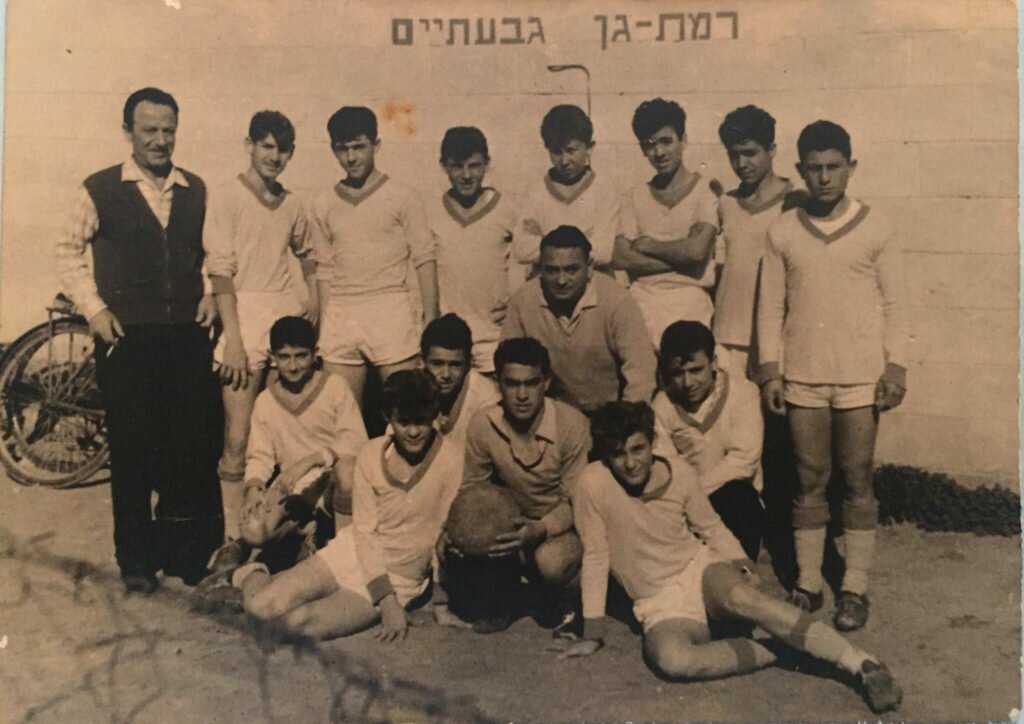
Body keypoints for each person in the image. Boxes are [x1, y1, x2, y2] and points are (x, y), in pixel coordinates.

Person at [559, 401, 902, 715]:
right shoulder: (593, 483)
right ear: (607, 455)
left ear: (652, 443)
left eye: (638, 449)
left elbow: (711, 528)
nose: (631, 462)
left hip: (698, 571)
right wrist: (593, 632)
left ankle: (860, 663)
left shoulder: (679, 472)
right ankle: (780, 649)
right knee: (672, 660)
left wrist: (741, 564)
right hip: (658, 602)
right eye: (618, 454)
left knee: (743, 597)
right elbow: (596, 555)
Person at [55, 87, 222, 593]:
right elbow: (65, 251)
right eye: (149, 130)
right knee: (132, 448)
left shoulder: (195, 189)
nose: (160, 140)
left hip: (186, 334)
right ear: (128, 132)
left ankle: (184, 554)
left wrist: (210, 292)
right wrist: (95, 309)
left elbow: (212, 252)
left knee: (186, 445)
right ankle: (135, 561)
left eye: (168, 130)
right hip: (126, 336)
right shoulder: (100, 188)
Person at [757, 120, 909, 631]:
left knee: (858, 476)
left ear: (850, 168)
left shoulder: (877, 227)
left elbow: (897, 303)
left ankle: (855, 586)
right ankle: (808, 581)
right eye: (814, 168)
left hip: (860, 377)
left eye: (833, 167)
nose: (824, 177)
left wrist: (895, 366)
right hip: (803, 375)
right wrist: (771, 373)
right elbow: (769, 307)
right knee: (809, 478)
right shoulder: (782, 231)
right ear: (800, 170)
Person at [231, 370, 463, 641]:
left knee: (295, 624)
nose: (413, 432)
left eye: (421, 421)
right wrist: (388, 603)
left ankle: (263, 580)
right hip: (352, 552)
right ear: (388, 418)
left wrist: (436, 602)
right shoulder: (371, 455)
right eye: (404, 422)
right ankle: (250, 573)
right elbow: (364, 533)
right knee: (259, 609)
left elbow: (443, 536)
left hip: (399, 576)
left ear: (434, 415)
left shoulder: (451, 459)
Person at [191, 316, 367, 609]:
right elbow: (260, 455)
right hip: (295, 491)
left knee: (347, 474)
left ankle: (340, 559)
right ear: (272, 357)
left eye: (301, 356)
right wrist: (254, 487)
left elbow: (356, 442)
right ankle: (302, 537)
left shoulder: (334, 386)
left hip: (330, 483)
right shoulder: (266, 400)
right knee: (253, 529)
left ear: (315, 354)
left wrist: (312, 459)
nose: (293, 366)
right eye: (284, 357)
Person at [203, 110, 318, 546]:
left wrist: (314, 300)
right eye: (267, 146)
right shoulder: (227, 196)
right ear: (249, 145)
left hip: (282, 320)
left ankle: (277, 531)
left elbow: (308, 253)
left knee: (284, 433)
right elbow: (221, 271)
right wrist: (233, 340)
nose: (275, 156)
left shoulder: (292, 203)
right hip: (243, 318)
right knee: (239, 436)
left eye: (283, 149)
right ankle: (232, 537)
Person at [449, 337, 590, 634]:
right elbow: (472, 492)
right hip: (513, 524)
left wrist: (539, 529)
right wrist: (459, 533)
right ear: (498, 384)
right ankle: (504, 596)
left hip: (563, 526)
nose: (522, 395)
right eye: (512, 384)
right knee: (452, 546)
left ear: (546, 382)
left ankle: (572, 602)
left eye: (531, 383)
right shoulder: (483, 424)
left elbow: (577, 504)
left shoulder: (572, 425)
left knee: (551, 562)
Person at [308, 105, 438, 408]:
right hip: (342, 311)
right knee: (342, 414)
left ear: (376, 145)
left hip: (390, 307)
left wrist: (431, 321)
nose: (351, 157)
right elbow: (325, 270)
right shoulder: (322, 203)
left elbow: (424, 259)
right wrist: (326, 329)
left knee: (407, 408)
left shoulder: (404, 196)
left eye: (359, 147)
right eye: (343, 149)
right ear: (333, 150)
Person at [501, 225, 656, 414]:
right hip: (553, 415)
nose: (561, 280)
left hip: (609, 415)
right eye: (552, 271)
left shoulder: (616, 300)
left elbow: (641, 371)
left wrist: (626, 422)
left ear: (589, 267)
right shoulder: (523, 300)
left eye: (571, 270)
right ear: (541, 268)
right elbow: (508, 366)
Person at [652, 321, 764, 561]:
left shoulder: (744, 393)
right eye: (678, 373)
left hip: (731, 499)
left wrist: (694, 491)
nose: (688, 382)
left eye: (696, 370)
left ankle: (743, 571)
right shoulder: (662, 405)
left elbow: (743, 461)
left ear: (714, 362)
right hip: (685, 507)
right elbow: (665, 465)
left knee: (739, 496)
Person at [613, 98, 718, 344]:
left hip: (691, 304)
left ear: (683, 140)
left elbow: (696, 252)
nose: (659, 153)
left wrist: (648, 245)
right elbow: (621, 257)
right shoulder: (633, 196)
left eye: (666, 141)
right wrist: (684, 262)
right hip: (642, 304)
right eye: (650, 145)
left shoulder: (705, 192)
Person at [714, 105, 801, 380]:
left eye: (750, 153)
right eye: (734, 155)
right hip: (728, 333)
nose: (741, 164)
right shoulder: (726, 203)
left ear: (771, 150)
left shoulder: (796, 202)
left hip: (773, 337)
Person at [428, 126, 520, 374]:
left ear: (487, 164)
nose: (466, 175)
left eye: (474, 166)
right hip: (450, 341)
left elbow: (529, 260)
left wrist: (516, 304)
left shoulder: (509, 209)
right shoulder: (431, 213)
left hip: (494, 336)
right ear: (444, 166)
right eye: (457, 167)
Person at [514, 105, 620, 277]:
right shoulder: (535, 191)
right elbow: (522, 250)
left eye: (571, 150)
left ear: (589, 148)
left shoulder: (604, 190)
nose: (564, 161)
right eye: (556, 152)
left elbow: (603, 251)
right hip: (547, 283)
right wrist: (584, 242)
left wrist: (546, 243)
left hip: (593, 282)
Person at [420, 313, 499, 449]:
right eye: (437, 364)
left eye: (455, 365)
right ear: (423, 361)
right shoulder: (413, 388)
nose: (446, 375)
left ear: (468, 363)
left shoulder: (486, 400)